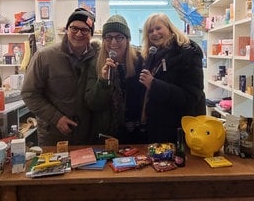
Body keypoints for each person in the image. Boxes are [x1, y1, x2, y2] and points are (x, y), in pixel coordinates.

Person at [21, 8, 99, 146]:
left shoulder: (97, 58)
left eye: (85, 30)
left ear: (91, 34)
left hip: (87, 136)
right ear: (66, 30)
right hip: (53, 135)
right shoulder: (44, 57)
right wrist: (56, 118)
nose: (79, 33)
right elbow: (29, 93)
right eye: (74, 28)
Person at [138, 13, 206, 143]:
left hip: (178, 130)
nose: (154, 33)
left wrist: (154, 84)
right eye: (150, 31)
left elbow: (191, 96)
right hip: (157, 128)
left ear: (170, 28)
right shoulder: (152, 55)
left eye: (158, 28)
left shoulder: (187, 53)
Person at [86, 14, 146, 144]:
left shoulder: (139, 61)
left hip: (136, 134)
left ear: (127, 40)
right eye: (108, 37)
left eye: (119, 37)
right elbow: (92, 103)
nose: (113, 42)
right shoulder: (95, 63)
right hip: (107, 135)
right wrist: (102, 81)